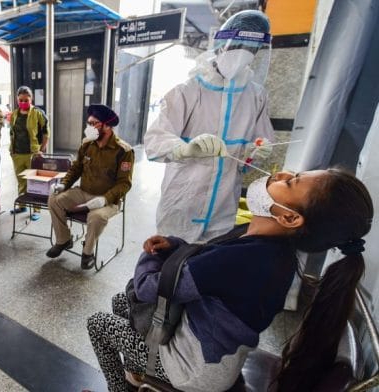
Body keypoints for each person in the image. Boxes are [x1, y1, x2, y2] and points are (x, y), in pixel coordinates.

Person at [87, 169, 373, 392]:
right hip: (215, 352)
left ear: (288, 217)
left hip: (196, 372)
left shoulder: (250, 260)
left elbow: (149, 288)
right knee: (119, 301)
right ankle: (138, 375)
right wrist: (174, 244)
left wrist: (148, 254)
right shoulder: (267, 246)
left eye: (291, 182)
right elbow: (205, 259)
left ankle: (120, 387)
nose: (281, 174)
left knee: (98, 323)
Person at [143, 10, 274, 242]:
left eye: (252, 49)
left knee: (204, 268)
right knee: (169, 261)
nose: (244, 54)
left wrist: (256, 151)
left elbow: (257, 146)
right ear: (222, 44)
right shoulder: (187, 91)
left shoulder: (256, 96)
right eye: (238, 46)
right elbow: (155, 140)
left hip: (223, 208)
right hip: (181, 203)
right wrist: (184, 149)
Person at [46, 104, 134, 269]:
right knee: (54, 200)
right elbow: (76, 168)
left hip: (108, 200)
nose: (89, 127)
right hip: (83, 192)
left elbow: (125, 183)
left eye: (94, 123)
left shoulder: (124, 151)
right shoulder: (87, 144)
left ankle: (88, 253)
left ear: (107, 125)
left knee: (96, 217)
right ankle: (64, 240)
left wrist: (105, 199)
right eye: (89, 123)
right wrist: (63, 185)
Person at [9, 86, 49, 220]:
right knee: (21, 181)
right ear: (17, 99)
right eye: (20, 100)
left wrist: (42, 149)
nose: (23, 102)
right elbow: (12, 133)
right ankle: (22, 205)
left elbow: (45, 132)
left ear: (31, 99)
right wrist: (12, 151)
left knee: (34, 182)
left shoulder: (38, 113)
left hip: (33, 154)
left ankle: (37, 209)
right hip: (18, 153)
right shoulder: (14, 114)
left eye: (26, 100)